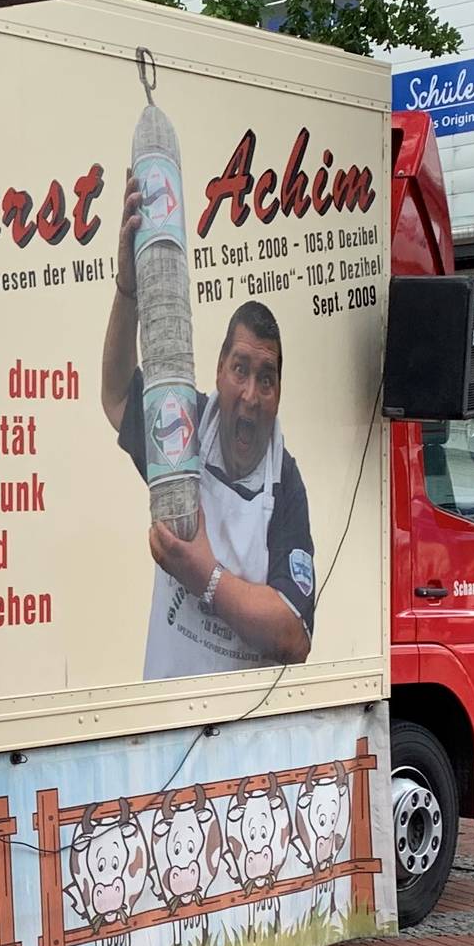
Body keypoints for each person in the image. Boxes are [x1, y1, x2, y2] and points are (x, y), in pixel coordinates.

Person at [99, 180, 316, 679]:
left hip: (241, 739)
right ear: (218, 371)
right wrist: (128, 289)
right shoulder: (186, 423)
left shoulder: (285, 483)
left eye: (267, 378)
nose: (251, 394)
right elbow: (115, 397)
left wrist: (205, 575)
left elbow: (294, 633)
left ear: (279, 392)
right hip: (168, 719)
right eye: (241, 370)